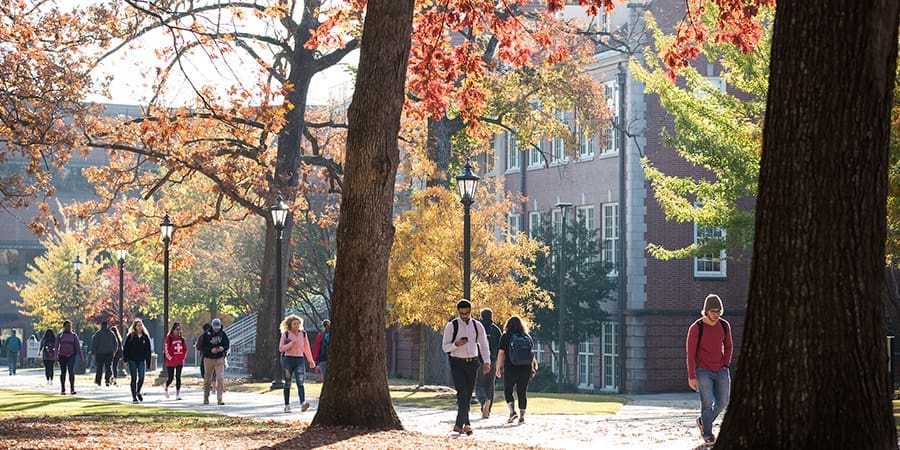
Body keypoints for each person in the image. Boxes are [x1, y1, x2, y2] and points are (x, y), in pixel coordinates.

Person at [685, 294, 733, 445]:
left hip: (721, 369)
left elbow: (729, 345)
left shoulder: (724, 325)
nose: (716, 315)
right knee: (707, 403)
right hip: (702, 370)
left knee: (723, 402)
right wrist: (691, 376)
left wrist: (726, 363)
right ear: (706, 311)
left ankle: (702, 421)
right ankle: (708, 434)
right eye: (713, 311)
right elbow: (690, 353)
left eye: (719, 311)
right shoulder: (696, 328)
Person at [441, 299, 491, 436]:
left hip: (472, 363)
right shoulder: (452, 326)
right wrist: (456, 344)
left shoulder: (477, 326)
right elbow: (445, 347)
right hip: (457, 363)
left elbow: (484, 344)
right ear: (458, 312)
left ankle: (458, 425)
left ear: (471, 311)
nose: (464, 316)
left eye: (467, 313)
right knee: (461, 392)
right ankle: (467, 424)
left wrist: (487, 362)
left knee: (468, 394)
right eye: (462, 313)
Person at [495, 315, 537, 424]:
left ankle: (512, 412)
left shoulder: (506, 337)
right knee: (522, 392)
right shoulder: (527, 337)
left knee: (508, 391)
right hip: (525, 368)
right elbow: (531, 354)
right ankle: (522, 416)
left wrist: (498, 367)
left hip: (511, 368)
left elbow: (501, 353)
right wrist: (532, 368)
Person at [279, 314, 317, 413]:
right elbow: (281, 348)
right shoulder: (286, 334)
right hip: (288, 360)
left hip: (299, 360)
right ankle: (287, 405)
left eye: (298, 323)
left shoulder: (303, 334)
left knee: (300, 382)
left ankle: (303, 403)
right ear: (290, 325)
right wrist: (291, 344)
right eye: (294, 324)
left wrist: (311, 360)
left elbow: (306, 348)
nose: (297, 325)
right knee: (287, 383)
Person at [475, 308, 502, 418]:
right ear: (491, 316)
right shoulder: (495, 329)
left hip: (478, 360)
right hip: (492, 360)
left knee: (479, 384)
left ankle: (483, 401)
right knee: (490, 385)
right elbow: (500, 346)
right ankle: (488, 409)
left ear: (481, 316)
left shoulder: (477, 327)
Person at [200, 318, 229, 405]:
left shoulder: (222, 334)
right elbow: (202, 347)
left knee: (220, 378)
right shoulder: (206, 335)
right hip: (208, 358)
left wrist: (222, 348)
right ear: (212, 326)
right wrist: (210, 350)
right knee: (207, 379)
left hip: (219, 358)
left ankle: (220, 399)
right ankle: (206, 398)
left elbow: (227, 344)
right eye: (215, 327)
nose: (216, 329)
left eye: (218, 328)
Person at [123, 319, 152, 404]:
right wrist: (125, 360)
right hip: (132, 359)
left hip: (141, 360)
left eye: (141, 325)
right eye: (138, 325)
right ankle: (134, 397)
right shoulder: (131, 336)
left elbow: (148, 350)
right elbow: (126, 349)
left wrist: (148, 362)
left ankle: (138, 391)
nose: (140, 327)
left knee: (142, 377)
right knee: (134, 378)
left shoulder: (145, 337)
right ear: (135, 327)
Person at [55, 320, 84, 395]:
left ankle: (72, 389)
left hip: (71, 355)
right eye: (67, 326)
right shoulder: (60, 335)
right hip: (62, 356)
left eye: (70, 326)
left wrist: (81, 357)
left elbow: (78, 347)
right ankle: (63, 389)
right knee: (63, 372)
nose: (69, 328)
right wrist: (55, 357)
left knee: (71, 371)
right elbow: (56, 346)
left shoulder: (74, 336)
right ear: (64, 327)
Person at [163, 322, 187, 400]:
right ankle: (166, 386)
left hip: (179, 361)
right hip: (171, 362)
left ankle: (177, 394)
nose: (178, 331)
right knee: (171, 378)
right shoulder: (169, 339)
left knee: (178, 377)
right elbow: (166, 350)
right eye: (177, 329)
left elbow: (185, 349)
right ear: (173, 330)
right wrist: (171, 358)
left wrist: (182, 358)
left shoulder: (182, 339)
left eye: (180, 329)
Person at [91, 321, 117, 387]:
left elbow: (94, 344)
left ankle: (98, 381)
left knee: (99, 367)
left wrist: (93, 353)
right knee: (108, 366)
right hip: (109, 352)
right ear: (107, 325)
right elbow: (115, 343)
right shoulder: (111, 333)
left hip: (99, 353)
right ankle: (107, 380)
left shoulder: (98, 333)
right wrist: (114, 351)